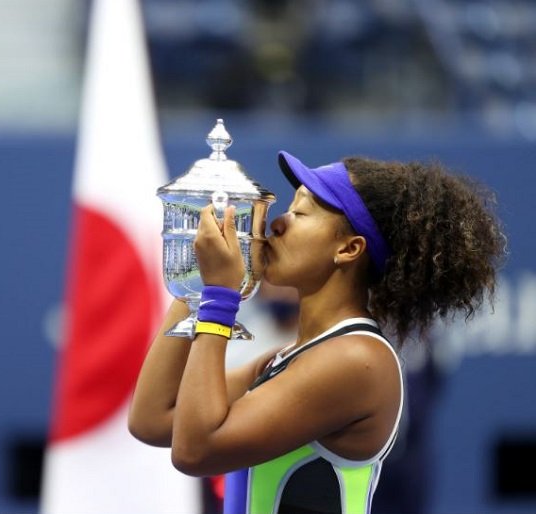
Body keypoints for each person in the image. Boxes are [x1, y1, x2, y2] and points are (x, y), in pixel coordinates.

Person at [128, 151, 506, 514]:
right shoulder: (291, 358)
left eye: (300, 212)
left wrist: (220, 296)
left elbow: (195, 451)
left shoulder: (357, 360)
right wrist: (194, 284)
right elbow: (153, 419)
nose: (277, 223)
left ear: (348, 248)